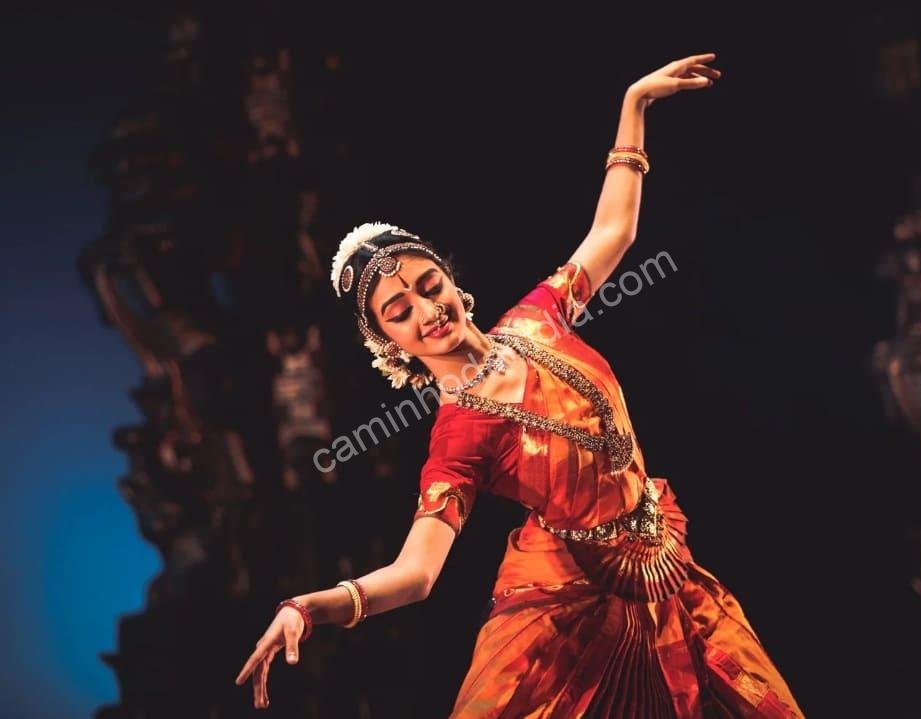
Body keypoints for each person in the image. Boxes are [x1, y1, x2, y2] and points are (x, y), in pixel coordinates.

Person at [236, 53, 805, 717]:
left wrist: (634, 104)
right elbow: (416, 574)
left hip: (667, 575)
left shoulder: (537, 317)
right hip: (570, 614)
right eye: (399, 311)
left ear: (451, 279)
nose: (427, 310)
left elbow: (614, 230)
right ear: (388, 342)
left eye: (429, 285)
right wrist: (310, 607)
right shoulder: (459, 434)